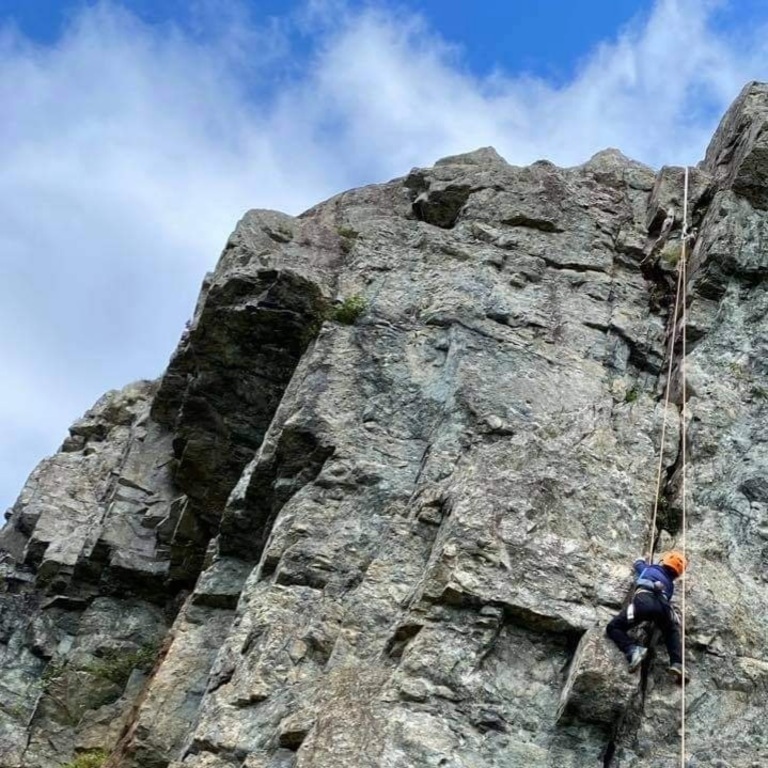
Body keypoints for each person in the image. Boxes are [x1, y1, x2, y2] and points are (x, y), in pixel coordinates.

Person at [606, 551, 687, 682]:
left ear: (663, 561)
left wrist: (643, 558)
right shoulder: (670, 585)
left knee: (613, 627)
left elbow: (637, 563)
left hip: (644, 602)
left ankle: (632, 650)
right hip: (663, 607)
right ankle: (677, 663)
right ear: (677, 574)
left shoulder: (649, 569)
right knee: (671, 631)